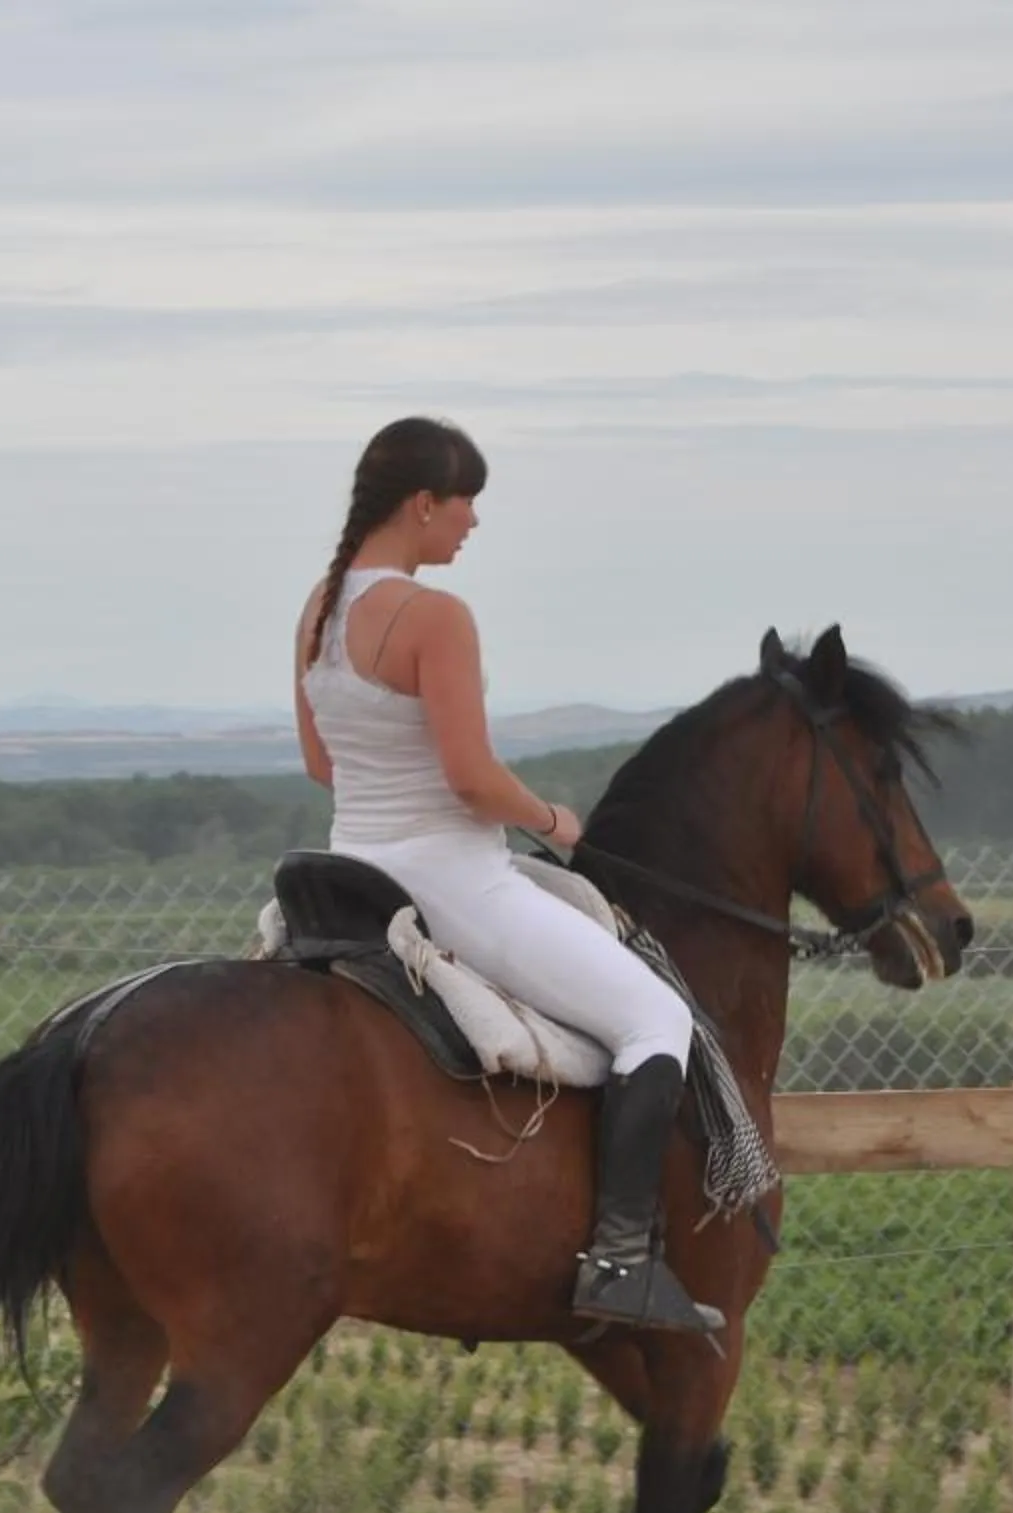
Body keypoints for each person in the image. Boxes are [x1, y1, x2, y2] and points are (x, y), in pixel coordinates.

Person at [293, 416, 721, 1335]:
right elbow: (472, 781)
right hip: (451, 883)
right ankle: (619, 1261)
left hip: (348, 870)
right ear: (422, 504)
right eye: (466, 502)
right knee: (657, 1016)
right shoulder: (435, 618)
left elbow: (324, 766)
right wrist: (555, 821)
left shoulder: (318, 610)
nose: (474, 523)